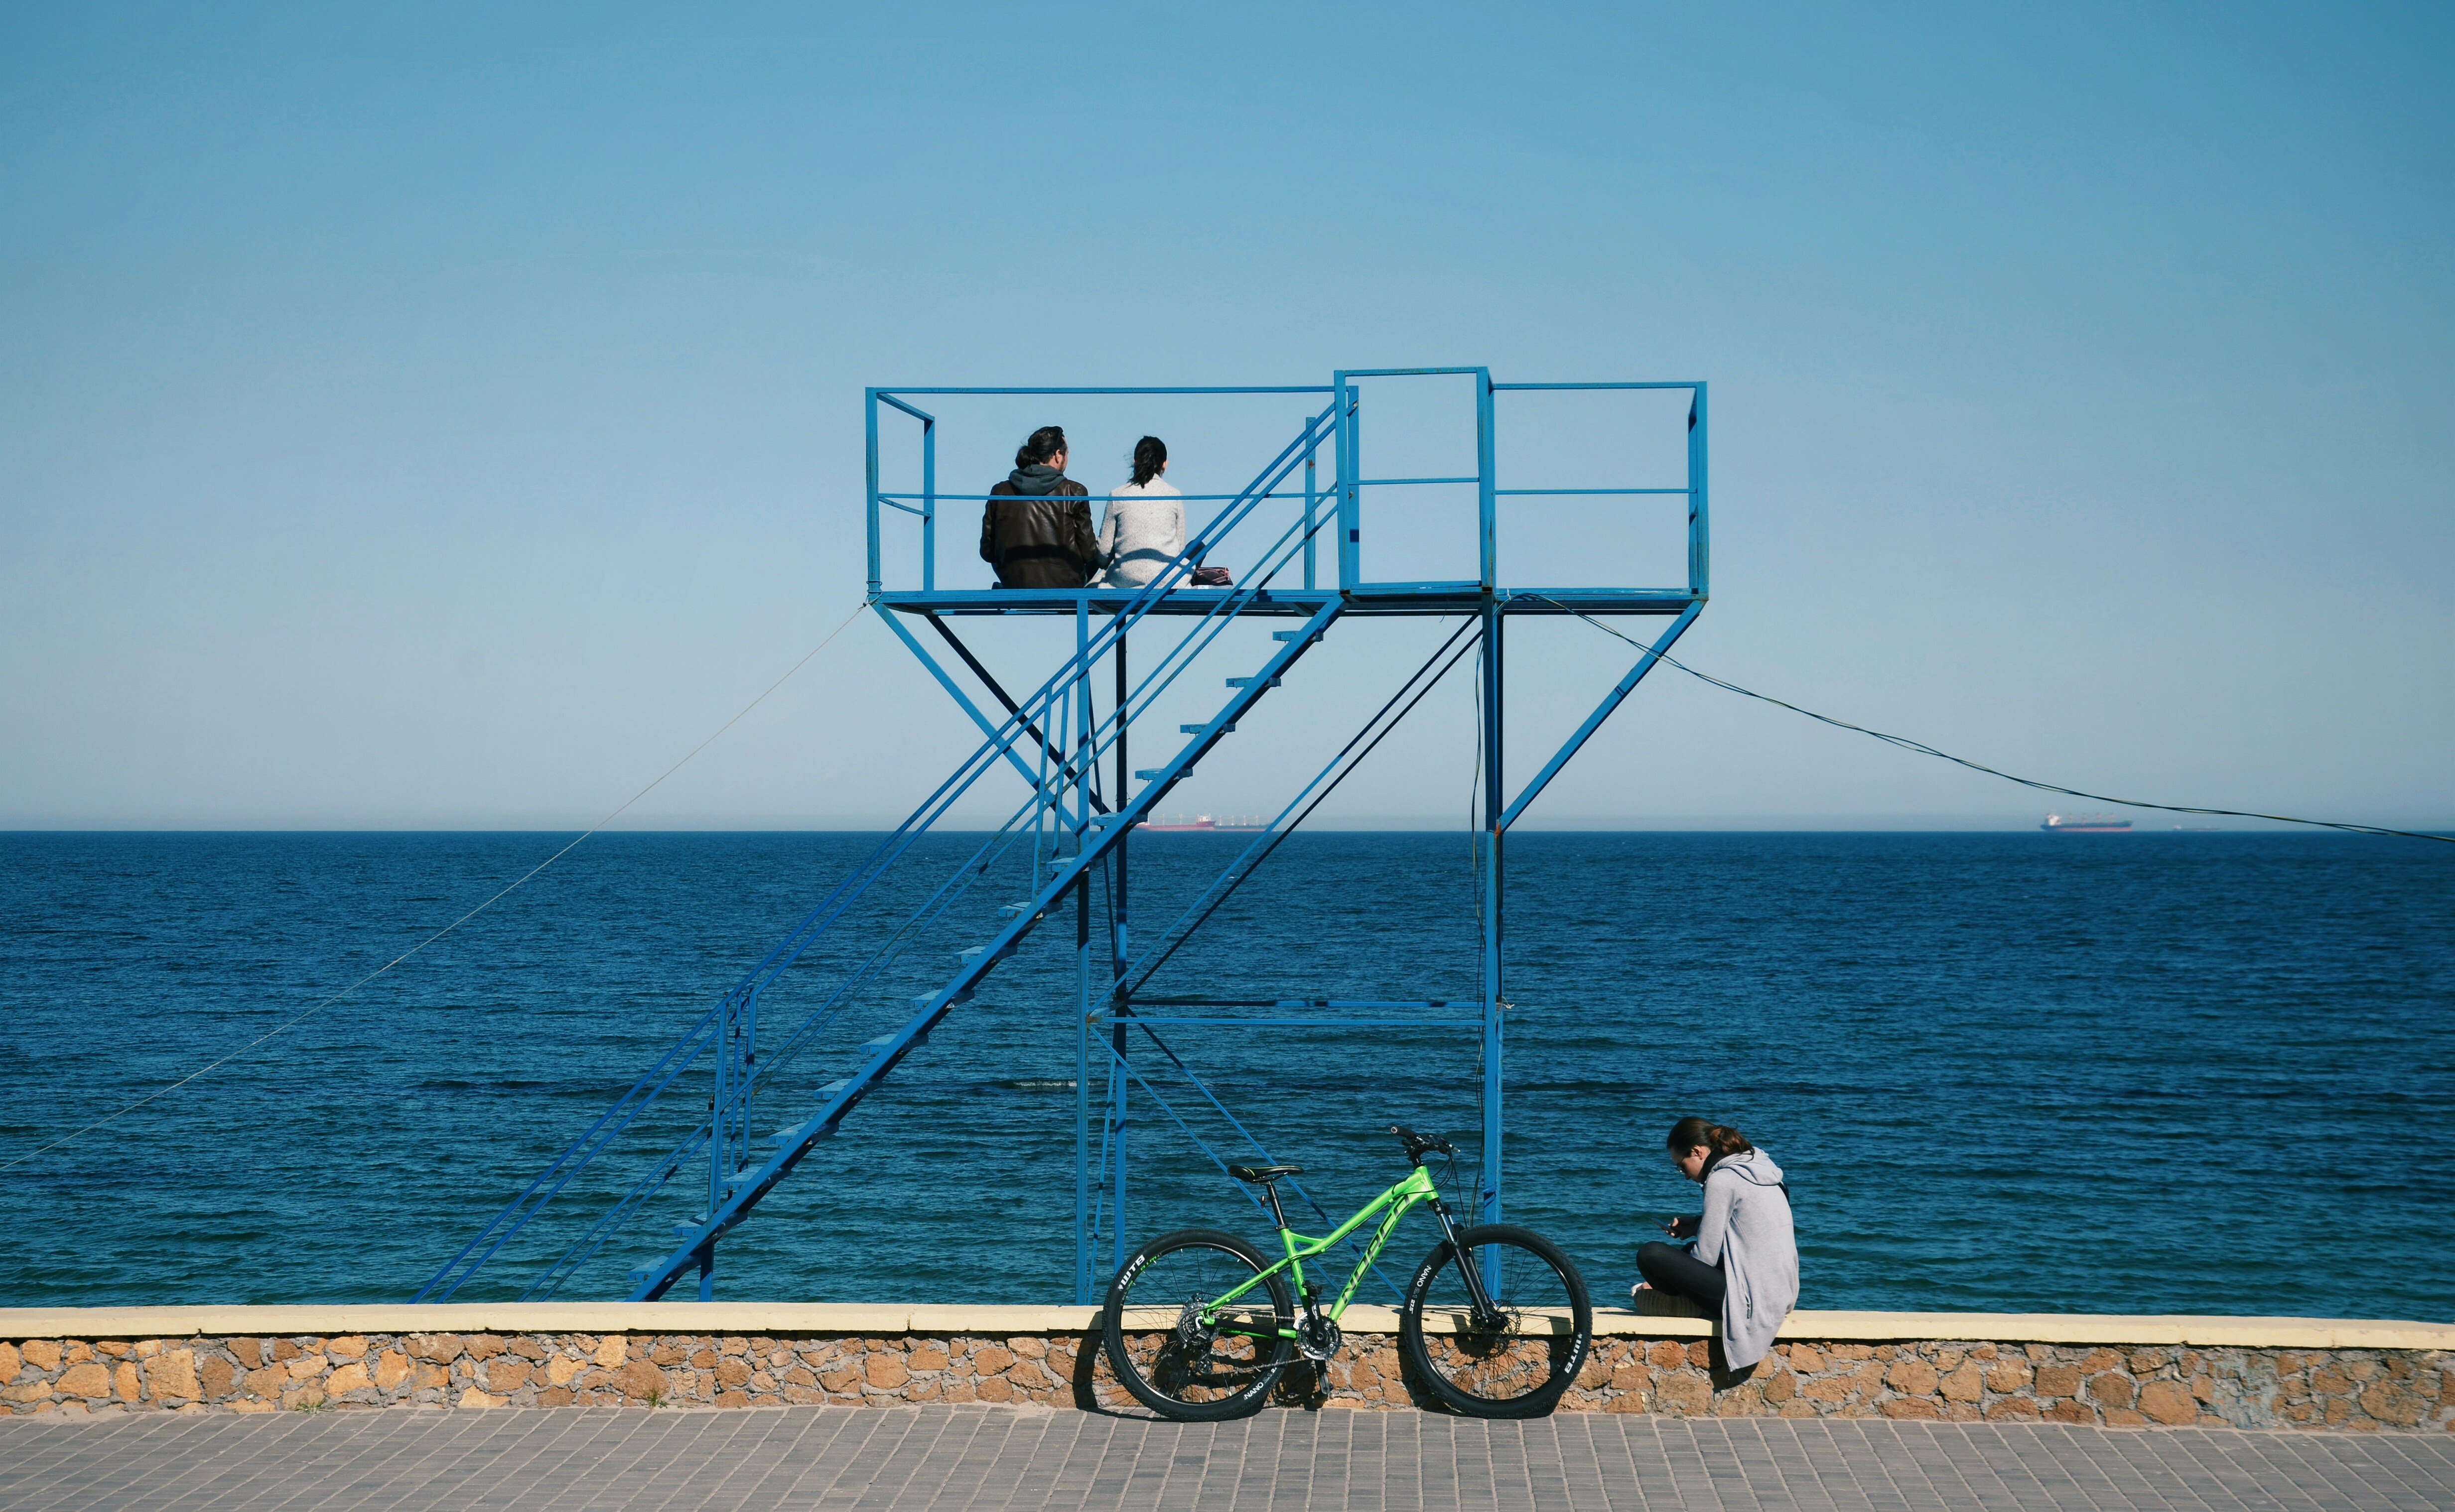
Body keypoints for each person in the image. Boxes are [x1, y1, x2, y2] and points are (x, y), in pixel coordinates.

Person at [1635, 1117, 1798, 1370]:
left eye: (1681, 1167)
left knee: (1651, 1254)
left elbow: (1706, 1259)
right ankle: (1680, 1295)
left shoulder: (1721, 1180)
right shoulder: (1758, 1166)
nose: (1685, 1177)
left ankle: (1678, 1299)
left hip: (1752, 1300)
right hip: (1782, 1291)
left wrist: (1667, 1277)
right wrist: (1698, 1224)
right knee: (1686, 1251)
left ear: (1698, 1152)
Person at [980, 425, 1099, 588]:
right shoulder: (1075, 491)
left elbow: (987, 552)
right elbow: (1089, 552)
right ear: (1058, 455)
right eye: (1067, 452)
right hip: (1065, 585)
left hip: (1013, 583)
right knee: (1100, 554)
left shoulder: (1000, 491)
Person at [1095, 436, 1187, 588]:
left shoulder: (1117, 495)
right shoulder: (1174, 494)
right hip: (1167, 578)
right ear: (1165, 464)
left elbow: (1104, 553)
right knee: (1197, 548)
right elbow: (1180, 548)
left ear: (1134, 462)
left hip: (1125, 578)